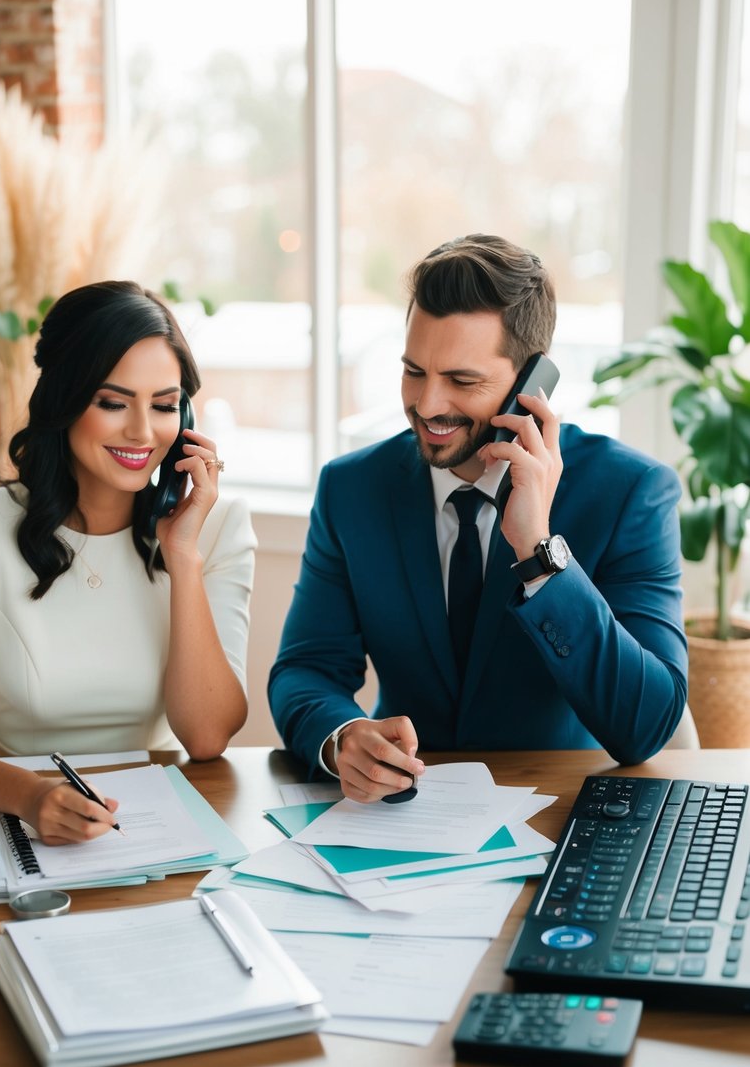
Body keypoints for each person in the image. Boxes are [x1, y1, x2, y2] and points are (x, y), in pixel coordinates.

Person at [269, 234, 688, 801]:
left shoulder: (630, 493)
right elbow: (306, 669)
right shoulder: (352, 489)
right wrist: (343, 737)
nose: (428, 404)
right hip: (401, 819)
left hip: (562, 813)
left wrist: (539, 552)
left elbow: (645, 726)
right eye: (414, 371)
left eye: (462, 381)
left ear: (531, 384)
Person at [0, 280, 256, 843]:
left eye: (165, 405)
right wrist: (30, 795)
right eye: (112, 402)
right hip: (20, 819)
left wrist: (182, 554)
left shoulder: (215, 526)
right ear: (65, 399)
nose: (142, 432)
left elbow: (206, 737)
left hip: (164, 826)